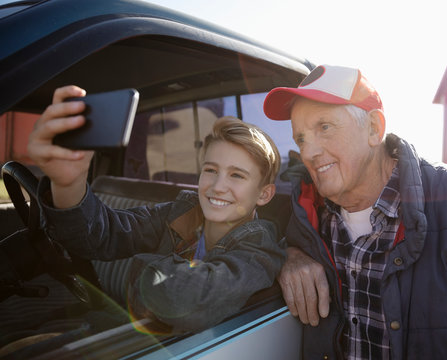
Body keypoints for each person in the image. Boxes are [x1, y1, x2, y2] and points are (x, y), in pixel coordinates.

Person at [263, 64, 447, 359]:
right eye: (301, 138)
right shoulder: (308, 219)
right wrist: (287, 258)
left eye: (325, 127)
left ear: (374, 128)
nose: (308, 152)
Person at [27, 85, 286, 332]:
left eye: (237, 176)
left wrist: (142, 264)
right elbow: (102, 234)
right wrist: (68, 182)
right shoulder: (182, 211)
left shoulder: (258, 248)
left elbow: (182, 301)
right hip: (121, 328)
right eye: (210, 170)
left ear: (264, 194)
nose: (218, 186)